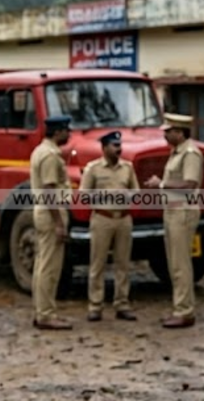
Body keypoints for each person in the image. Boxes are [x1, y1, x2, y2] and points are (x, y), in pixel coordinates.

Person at [144, 113, 203, 328]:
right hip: (172, 211)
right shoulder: (176, 153)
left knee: (181, 264)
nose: (165, 135)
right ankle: (180, 307)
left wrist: (160, 185)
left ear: (180, 132)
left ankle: (185, 311)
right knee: (173, 263)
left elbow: (189, 185)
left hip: (183, 212)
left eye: (169, 132)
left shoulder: (190, 154)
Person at [80, 130, 140, 322]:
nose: (118, 149)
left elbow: (136, 191)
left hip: (123, 218)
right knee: (98, 263)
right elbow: (84, 194)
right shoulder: (93, 168)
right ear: (104, 148)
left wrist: (128, 196)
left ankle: (122, 303)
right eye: (114, 146)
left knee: (123, 263)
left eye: (119, 145)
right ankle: (95, 305)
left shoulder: (127, 168)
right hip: (102, 218)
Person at [29, 115, 73, 330]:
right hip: (50, 212)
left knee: (42, 263)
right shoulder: (50, 156)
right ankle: (46, 314)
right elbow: (49, 191)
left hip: (44, 212)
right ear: (58, 132)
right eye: (67, 130)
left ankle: (41, 311)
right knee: (50, 266)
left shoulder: (42, 150)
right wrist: (59, 223)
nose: (69, 134)